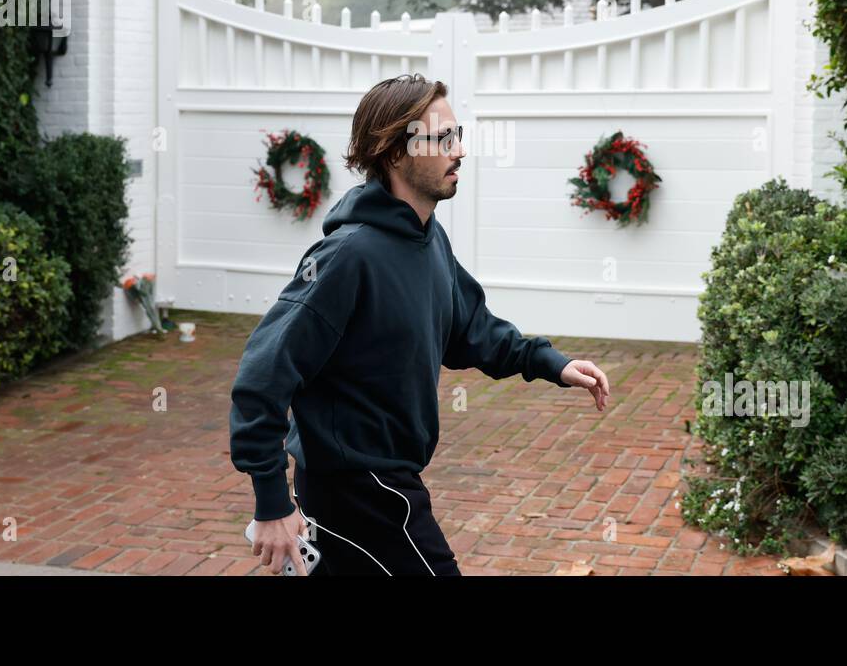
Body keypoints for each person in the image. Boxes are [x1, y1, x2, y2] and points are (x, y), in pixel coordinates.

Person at [229, 73, 610, 576]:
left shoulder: (429, 239)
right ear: (393, 152)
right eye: (442, 138)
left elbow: (471, 328)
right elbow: (262, 375)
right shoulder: (348, 256)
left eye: (458, 135)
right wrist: (272, 503)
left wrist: (551, 364)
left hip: (384, 478)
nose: (460, 151)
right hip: (362, 488)